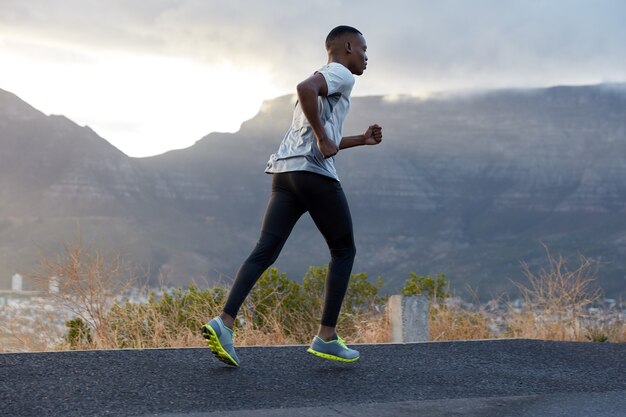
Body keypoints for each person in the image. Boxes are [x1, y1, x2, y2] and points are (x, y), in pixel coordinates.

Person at [202, 25, 383, 366]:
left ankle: (224, 322)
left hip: (286, 174)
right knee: (344, 250)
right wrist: (322, 138)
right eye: (363, 49)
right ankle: (326, 336)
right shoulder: (342, 74)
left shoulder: (330, 82)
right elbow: (304, 89)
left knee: (264, 250)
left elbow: (326, 135)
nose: (366, 56)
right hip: (314, 175)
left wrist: (359, 139)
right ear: (347, 47)